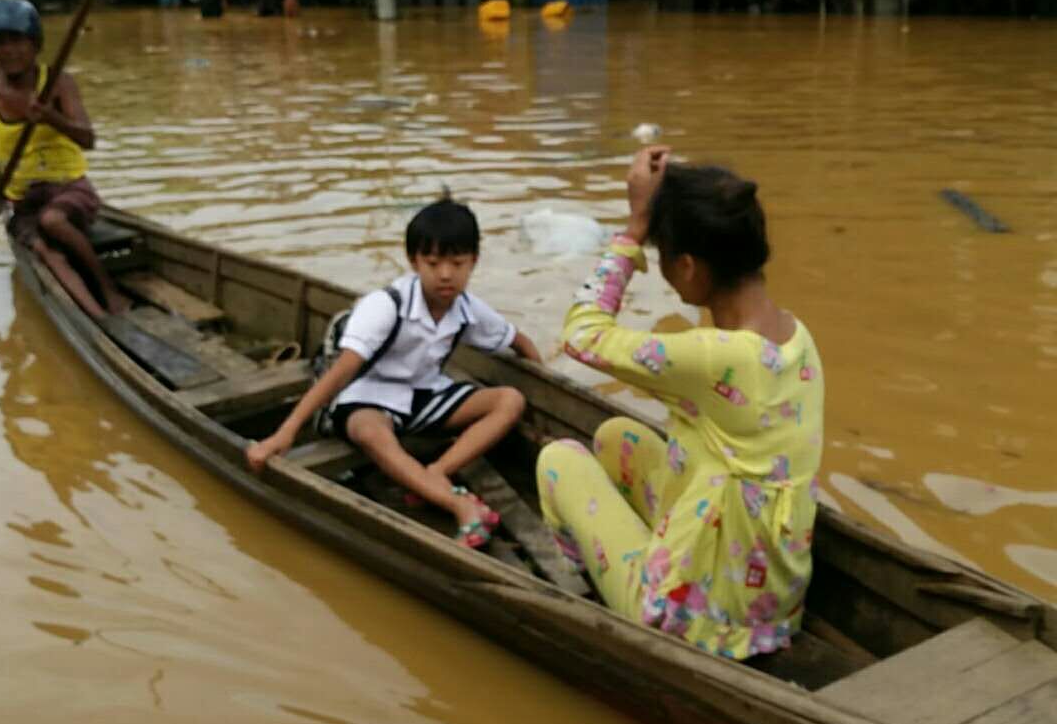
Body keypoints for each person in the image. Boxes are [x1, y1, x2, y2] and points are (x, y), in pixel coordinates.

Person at [537, 148, 825, 661]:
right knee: (613, 439)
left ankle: (602, 591)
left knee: (558, 460)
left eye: (664, 257)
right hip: (773, 605)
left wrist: (633, 228)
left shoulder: (715, 358)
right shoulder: (796, 339)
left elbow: (582, 334)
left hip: (698, 623)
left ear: (689, 267)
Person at [247, 197, 543, 547]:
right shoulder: (385, 306)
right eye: (433, 263)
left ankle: (437, 472)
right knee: (369, 431)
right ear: (414, 262)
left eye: (457, 263)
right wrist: (286, 433)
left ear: (473, 262)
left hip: (422, 396)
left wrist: (543, 391)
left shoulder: (467, 308)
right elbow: (339, 374)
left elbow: (517, 340)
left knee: (509, 400)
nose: (445, 274)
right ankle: (459, 504)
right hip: (366, 396)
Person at [0, 0, 126, 320]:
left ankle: (109, 290)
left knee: (53, 221)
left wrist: (50, 118)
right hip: (25, 202)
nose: (7, 51)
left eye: (17, 41)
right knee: (46, 251)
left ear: (35, 44)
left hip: (70, 190)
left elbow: (88, 139)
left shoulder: (58, 83)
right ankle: (97, 318)